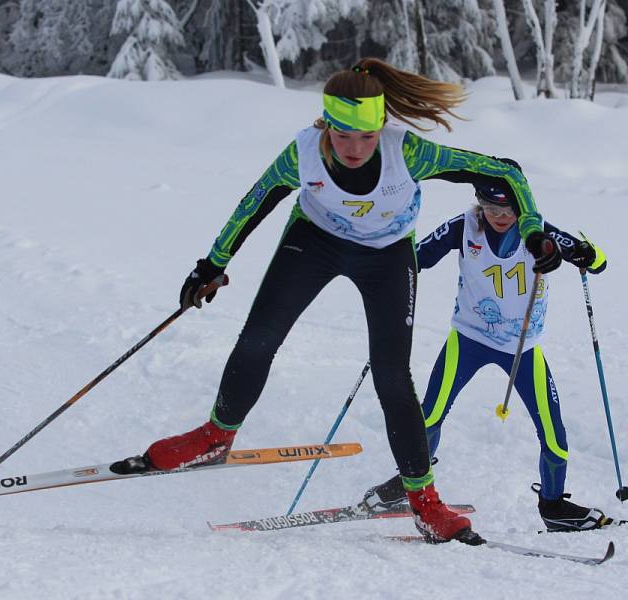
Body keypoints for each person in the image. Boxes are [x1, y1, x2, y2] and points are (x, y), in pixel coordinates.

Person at [119, 57, 561, 543]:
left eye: (366, 137)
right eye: (342, 135)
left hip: (388, 255)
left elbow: (506, 173)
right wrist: (213, 263)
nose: (353, 149)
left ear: (380, 127)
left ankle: (423, 500)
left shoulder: (407, 152)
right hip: (315, 242)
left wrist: (534, 231)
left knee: (393, 376)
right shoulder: (304, 153)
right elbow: (257, 200)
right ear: (325, 124)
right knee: (258, 339)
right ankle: (214, 437)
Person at [360, 169, 612, 533]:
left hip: (522, 350)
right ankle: (411, 482)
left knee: (554, 435)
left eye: (508, 207)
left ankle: (554, 506)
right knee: (427, 418)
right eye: (490, 207)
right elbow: (419, 256)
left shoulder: (538, 230)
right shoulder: (464, 226)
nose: (499, 216)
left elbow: (597, 262)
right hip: (468, 339)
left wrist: (587, 253)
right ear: (478, 204)